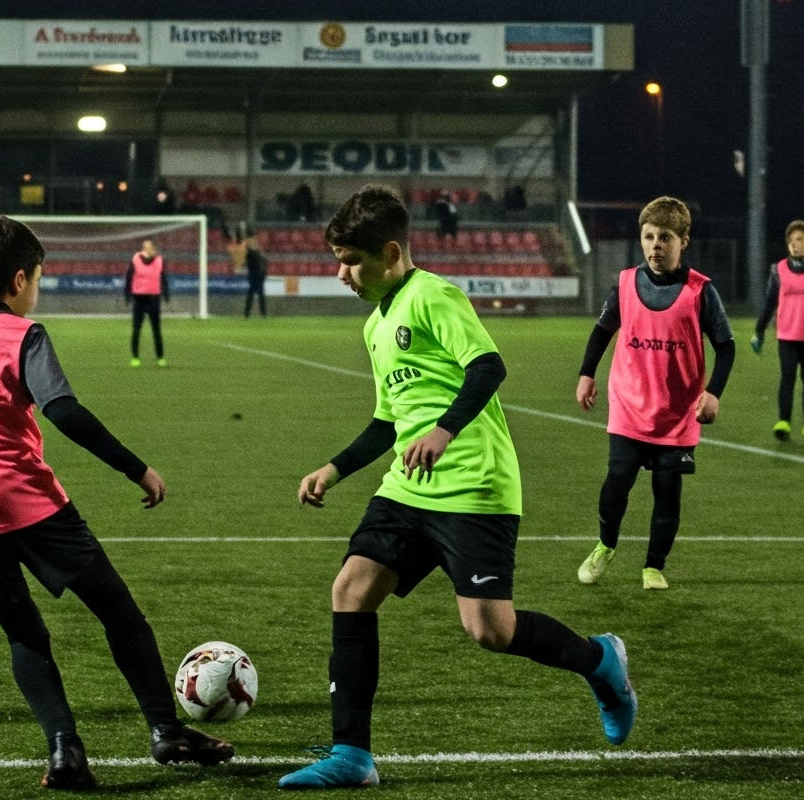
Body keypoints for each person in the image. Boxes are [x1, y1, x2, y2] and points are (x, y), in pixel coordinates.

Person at [277, 185, 636, 790]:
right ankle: (352, 755)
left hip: (475, 485)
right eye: (337, 260)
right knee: (351, 588)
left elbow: (488, 367)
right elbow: (388, 421)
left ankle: (601, 661)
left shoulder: (433, 296)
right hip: (408, 485)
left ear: (390, 252)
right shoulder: (376, 323)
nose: (341, 273)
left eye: (350, 260)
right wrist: (334, 468)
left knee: (490, 631)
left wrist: (444, 431)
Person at [0, 215, 233, 789]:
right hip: (24, 502)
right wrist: (135, 468)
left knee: (24, 633)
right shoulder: (22, 333)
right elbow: (62, 410)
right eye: (37, 278)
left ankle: (65, 749)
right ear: (20, 280)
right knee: (118, 611)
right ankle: (165, 730)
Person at [575, 196, 735, 591]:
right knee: (616, 481)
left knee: (667, 492)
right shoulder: (627, 283)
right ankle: (605, 545)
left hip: (677, 414)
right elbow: (602, 330)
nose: (655, 245)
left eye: (665, 237)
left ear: (684, 241)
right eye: (648, 237)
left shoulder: (700, 292)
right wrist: (586, 374)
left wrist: (712, 393)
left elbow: (726, 345)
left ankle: (653, 566)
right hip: (628, 406)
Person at [751, 219, 804, 440]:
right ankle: (784, 422)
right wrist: (759, 332)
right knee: (788, 378)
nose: (795, 244)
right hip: (787, 336)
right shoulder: (779, 270)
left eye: (800, 239)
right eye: (791, 240)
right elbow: (770, 303)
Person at [125, 238, 167, 367]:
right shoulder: (135, 260)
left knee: (156, 330)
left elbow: (163, 278)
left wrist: (166, 293)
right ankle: (135, 357)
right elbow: (129, 277)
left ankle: (160, 357)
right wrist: (127, 295)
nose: (148, 249)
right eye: (146, 246)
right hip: (139, 299)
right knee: (136, 329)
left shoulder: (160, 261)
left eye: (150, 246)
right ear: (143, 248)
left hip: (154, 299)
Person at [243, 234, 268, 318]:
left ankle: (261, 313)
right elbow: (249, 264)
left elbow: (264, 264)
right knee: (253, 294)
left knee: (257, 295)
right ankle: (248, 313)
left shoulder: (258, 253)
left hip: (258, 276)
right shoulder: (252, 253)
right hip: (254, 276)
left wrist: (263, 274)